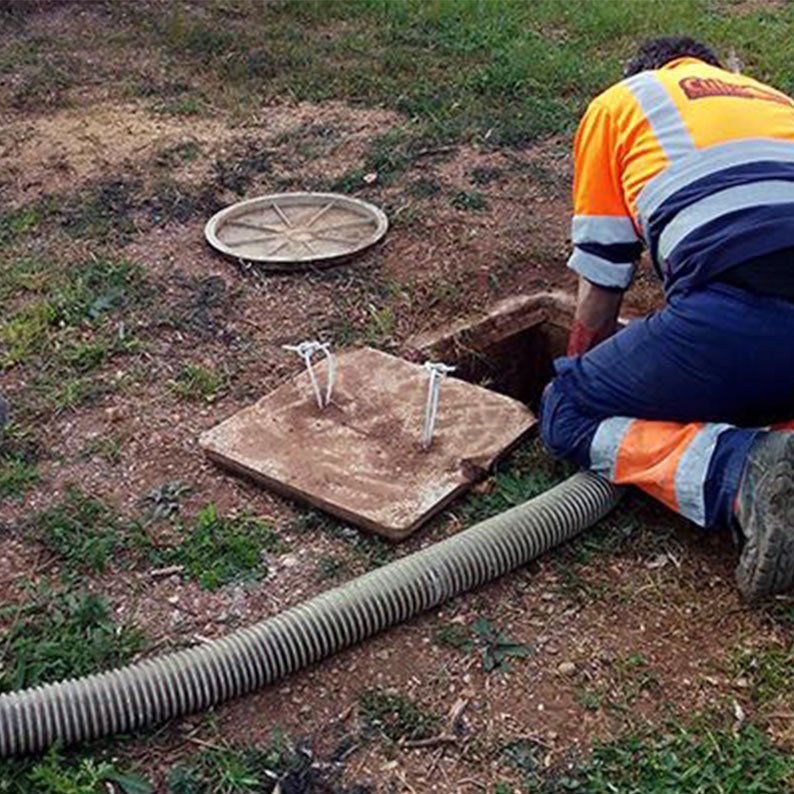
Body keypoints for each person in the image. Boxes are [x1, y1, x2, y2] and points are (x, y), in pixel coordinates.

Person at [539, 36, 794, 602]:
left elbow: (603, 281)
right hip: (760, 313)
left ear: (637, 72)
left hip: (741, 310)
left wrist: (586, 368)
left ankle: (743, 473)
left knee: (567, 408)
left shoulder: (622, 103)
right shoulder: (775, 101)